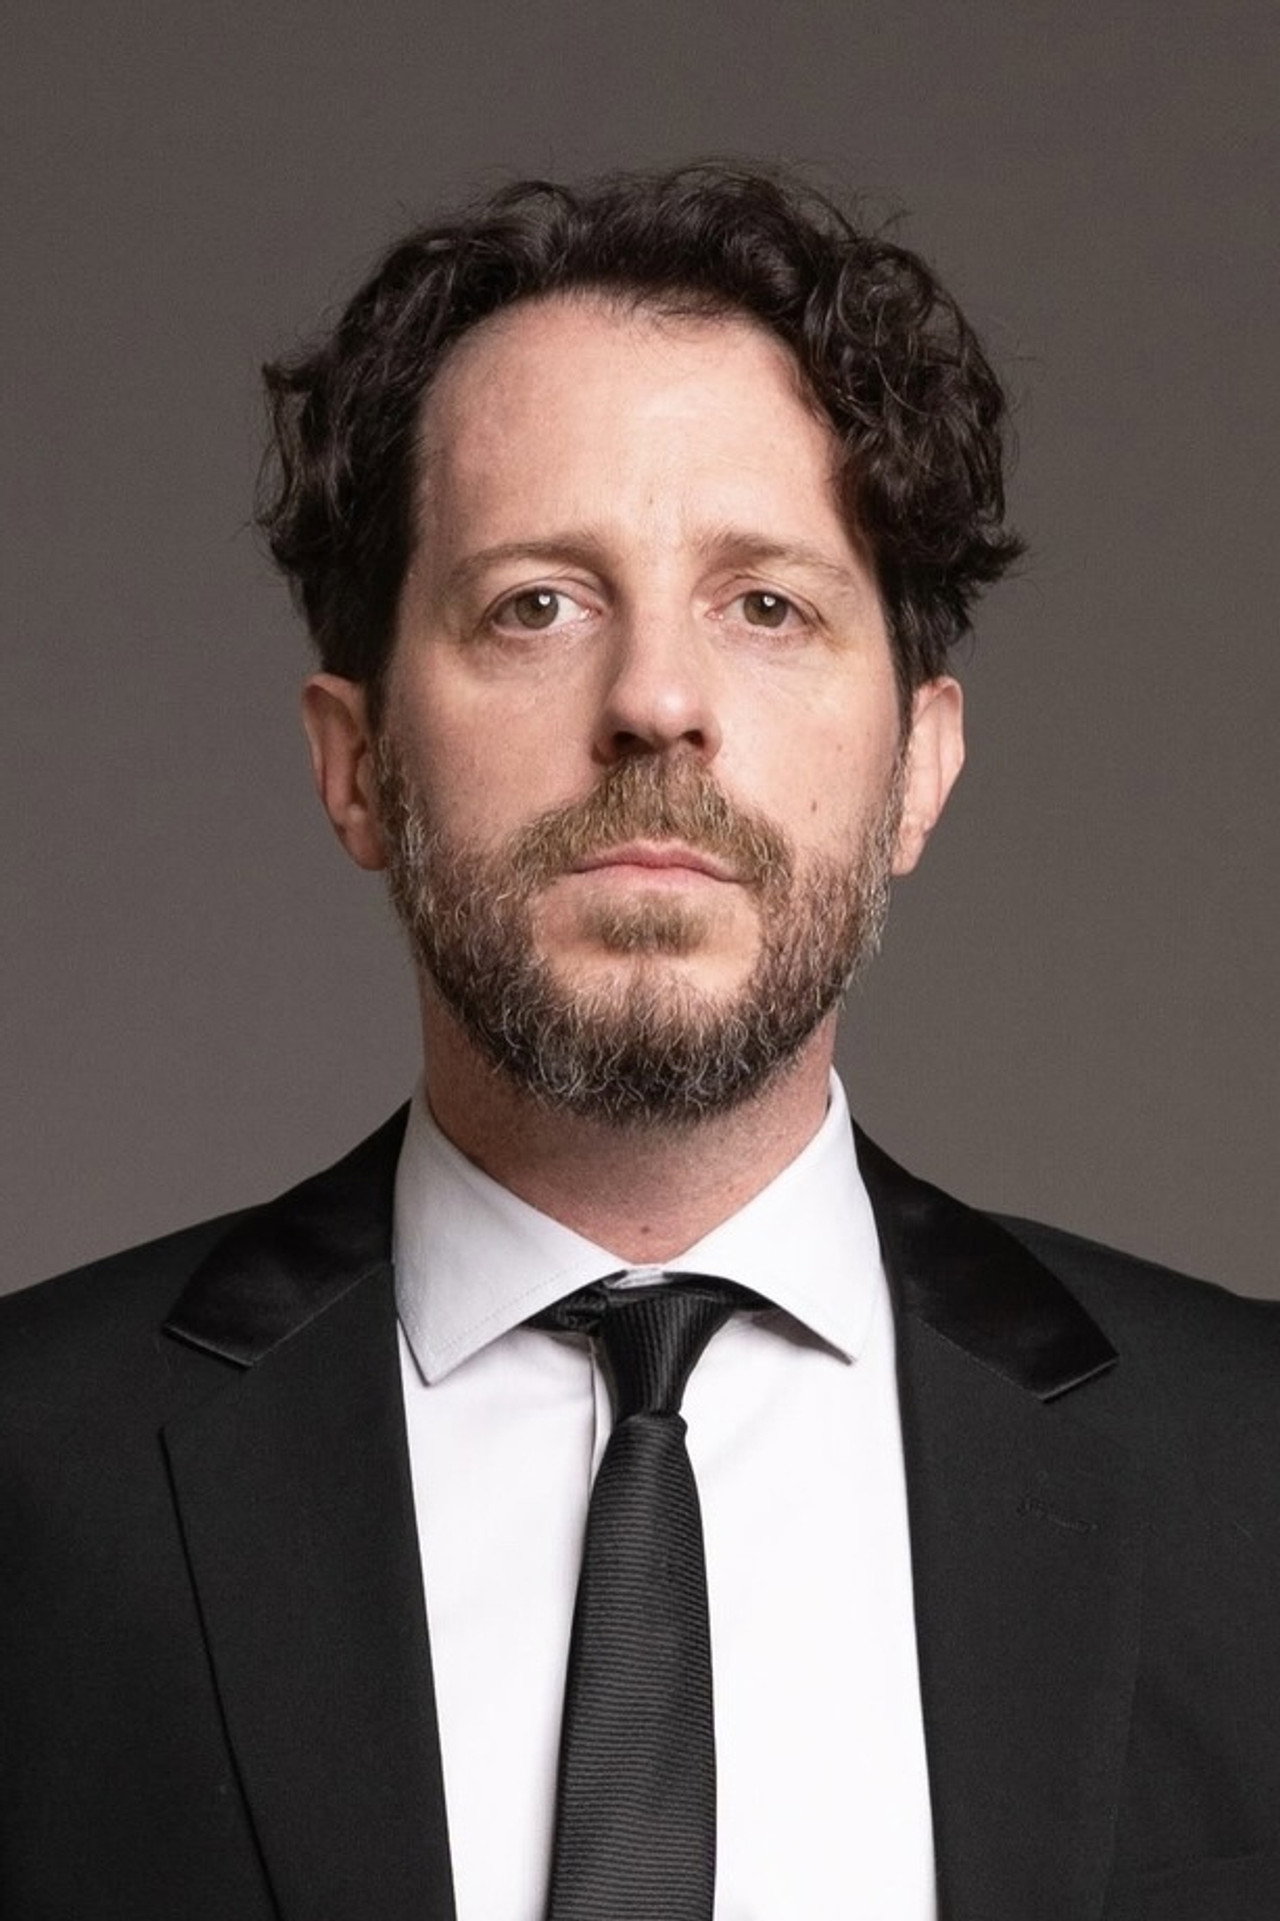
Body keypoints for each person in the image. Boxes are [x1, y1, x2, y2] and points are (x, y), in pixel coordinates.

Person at [2, 165, 1277, 1921]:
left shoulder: (1252, 1472)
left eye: (768, 605)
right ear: (357, 764)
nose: (657, 701)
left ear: (918, 767)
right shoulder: (31, 1483)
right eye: (538, 603)